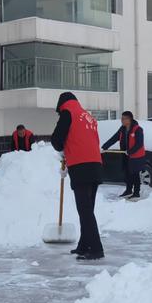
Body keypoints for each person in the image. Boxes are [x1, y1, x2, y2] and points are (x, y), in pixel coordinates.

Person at [51, 92, 104, 261]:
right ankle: (84, 245)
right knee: (88, 210)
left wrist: (62, 150)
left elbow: (56, 139)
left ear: (61, 104)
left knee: (85, 210)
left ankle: (96, 249)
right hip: (96, 164)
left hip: (81, 166)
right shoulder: (86, 115)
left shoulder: (68, 113)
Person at [101, 111, 146, 200]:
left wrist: (130, 151)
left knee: (134, 174)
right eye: (121, 118)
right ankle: (128, 190)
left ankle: (136, 193)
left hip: (136, 156)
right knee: (127, 173)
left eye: (124, 118)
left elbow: (139, 143)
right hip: (125, 155)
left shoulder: (138, 129)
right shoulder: (122, 129)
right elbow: (114, 138)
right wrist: (104, 147)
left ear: (129, 119)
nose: (122, 120)